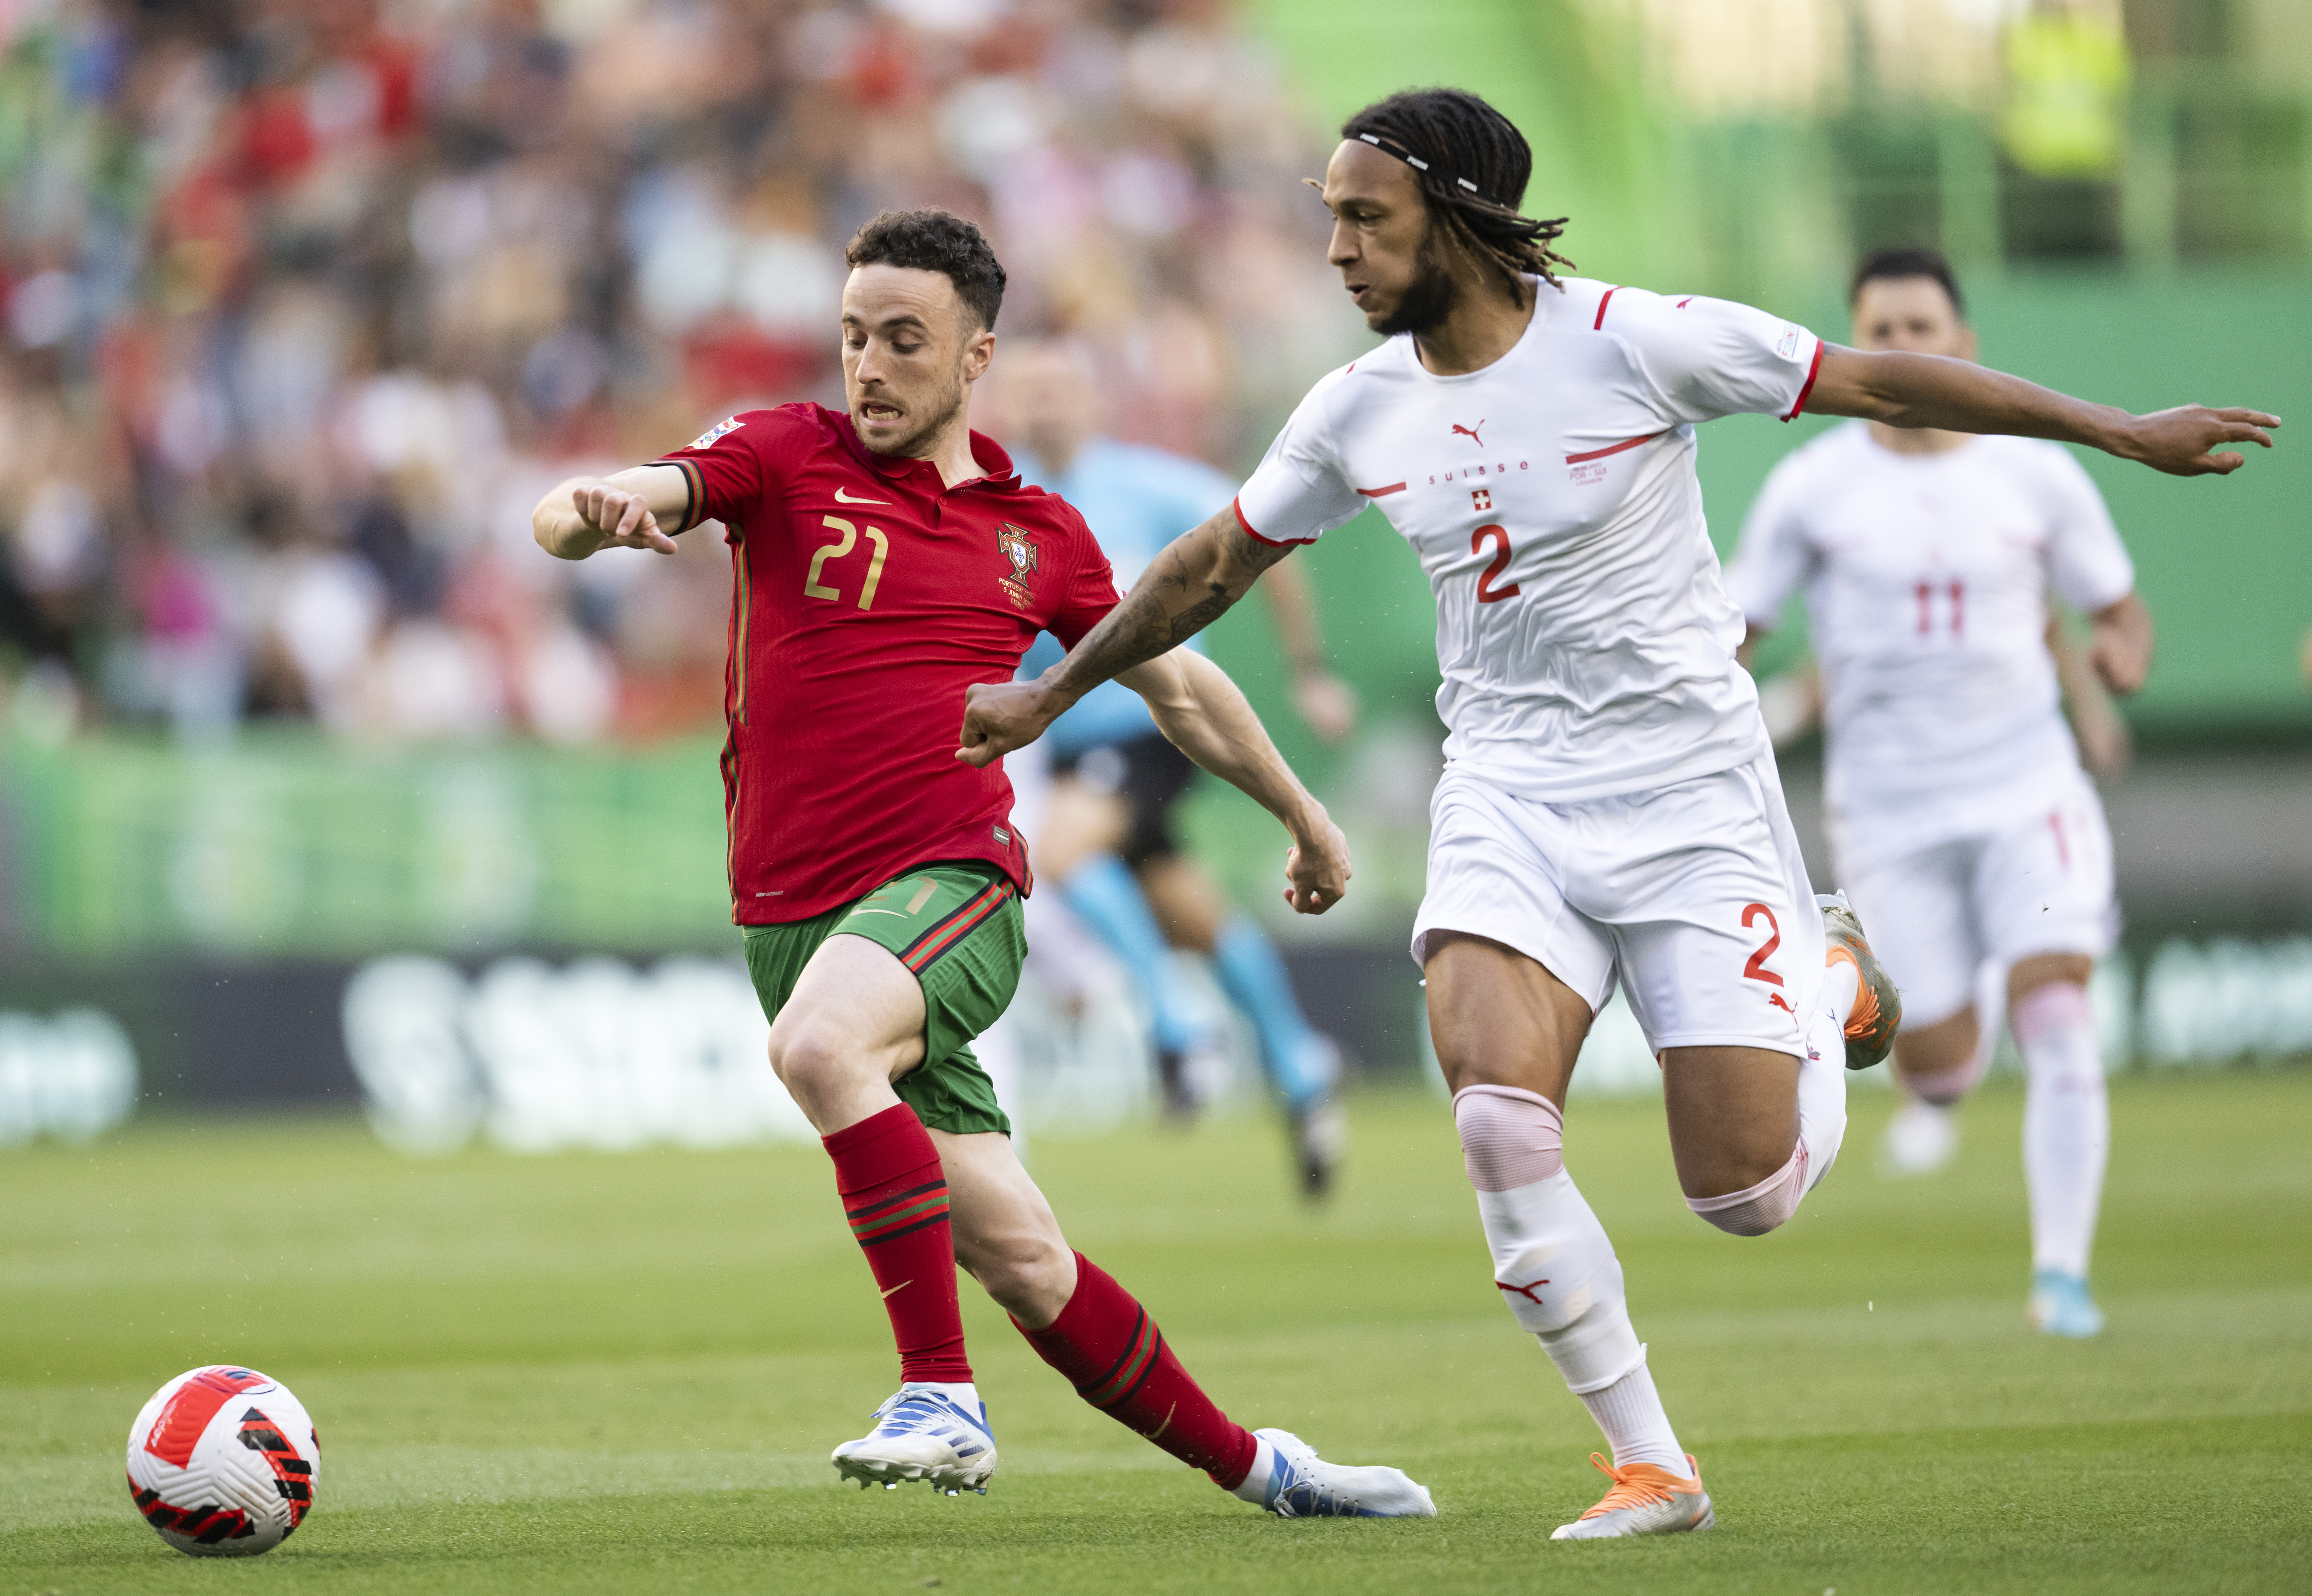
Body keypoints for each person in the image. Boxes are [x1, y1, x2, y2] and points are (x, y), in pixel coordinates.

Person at [958, 89, 2277, 1539]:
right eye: (1329, 218)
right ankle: (1652, 1463)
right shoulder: (1354, 407)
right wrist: (1052, 693)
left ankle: (1825, 976)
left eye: (1364, 218)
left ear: (1458, 217)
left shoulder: (1637, 341)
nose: (1334, 249)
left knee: (1745, 1195)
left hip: (1690, 795)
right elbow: (1210, 565)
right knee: (1493, 1121)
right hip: (1506, 792)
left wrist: (2118, 431)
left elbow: (1886, 386)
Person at [530, 209, 1433, 1519]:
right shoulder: (780, 454)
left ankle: (939, 1395)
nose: (869, 365)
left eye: (904, 340)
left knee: (816, 1049)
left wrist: (1305, 815)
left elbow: (1180, 686)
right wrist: (588, 514)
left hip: (951, 884)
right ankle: (1266, 1468)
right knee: (1025, 1258)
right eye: (853, 336)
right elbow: (583, 509)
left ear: (975, 357)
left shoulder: (1039, 534)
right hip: (794, 919)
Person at [1724, 247, 2153, 1337]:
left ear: (1964, 343)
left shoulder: (2037, 476)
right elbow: (1736, 630)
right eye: (1881, 330)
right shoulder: (1811, 486)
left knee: (2057, 1006)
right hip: (1889, 812)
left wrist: (2120, 651)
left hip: (2026, 790)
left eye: (1922, 328)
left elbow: (2116, 605)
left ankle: (2061, 1277)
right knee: (1936, 1057)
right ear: (1855, 344)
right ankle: (1953, 1051)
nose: (1903, 347)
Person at [998, 339, 1359, 1195]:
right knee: (1186, 910)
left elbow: (1266, 538)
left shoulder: (1148, 485)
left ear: (1093, 402)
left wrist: (1308, 670)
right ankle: (1301, 1068)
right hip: (1074, 740)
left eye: (1060, 390)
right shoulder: (1002, 498)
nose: (1047, 407)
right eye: (1032, 393)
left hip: (1156, 724)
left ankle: (1176, 1025)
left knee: (1061, 853)